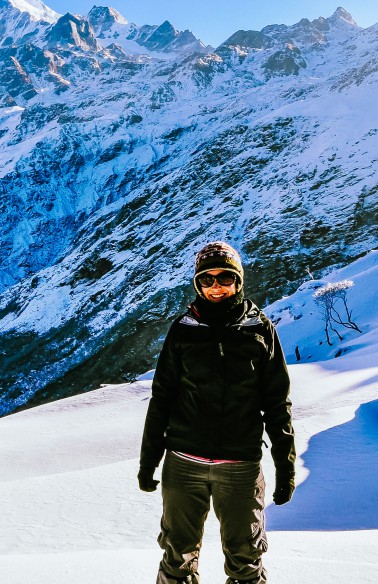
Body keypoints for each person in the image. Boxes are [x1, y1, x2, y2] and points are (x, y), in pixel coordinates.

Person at [139, 241, 296, 584]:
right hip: (183, 462)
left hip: (240, 465)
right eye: (206, 280)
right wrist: (148, 461)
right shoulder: (183, 329)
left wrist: (285, 468)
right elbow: (162, 397)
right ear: (198, 284)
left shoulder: (260, 331)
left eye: (224, 277)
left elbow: (277, 404)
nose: (215, 286)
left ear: (238, 281)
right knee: (176, 555)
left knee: (246, 558)